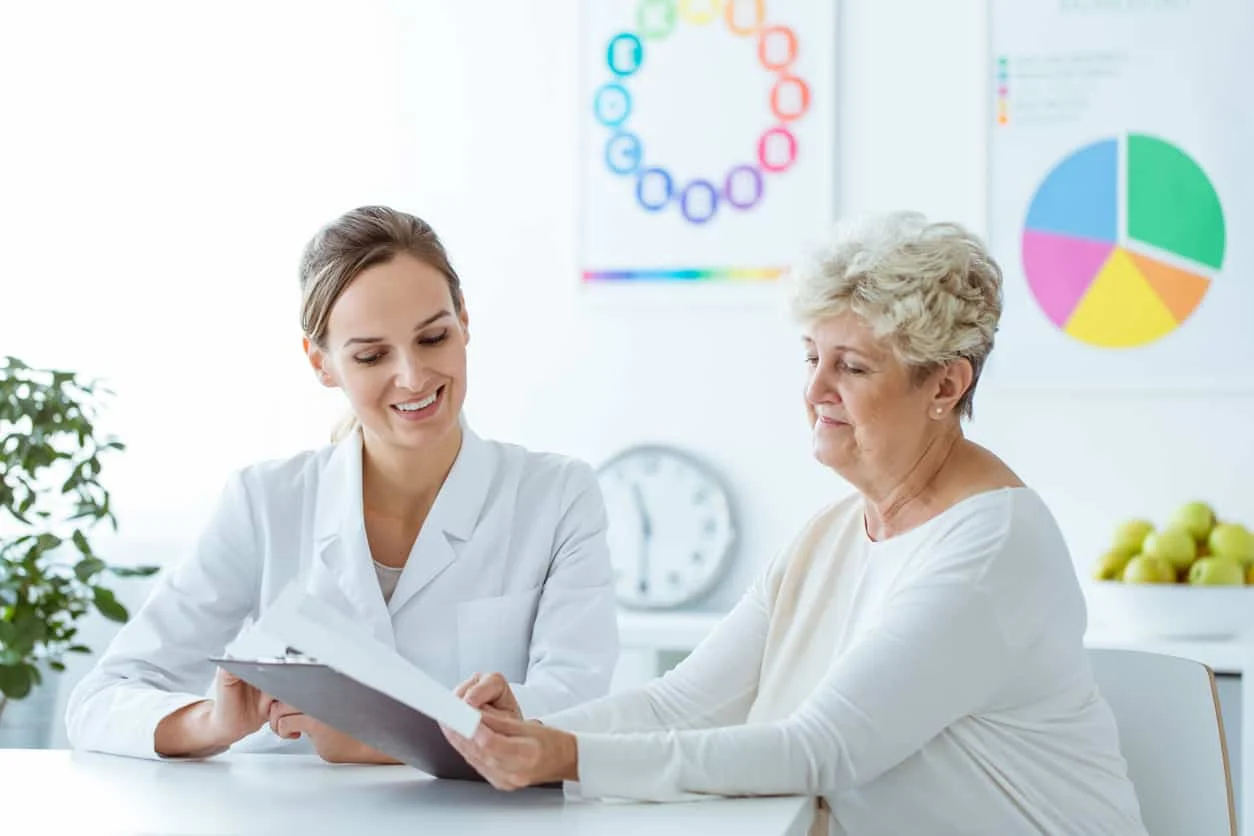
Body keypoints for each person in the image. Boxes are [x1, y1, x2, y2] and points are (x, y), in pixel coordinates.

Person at [440, 212, 1148, 835]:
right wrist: (526, 734)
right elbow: (682, 703)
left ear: (946, 385)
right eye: (812, 357)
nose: (814, 391)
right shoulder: (834, 532)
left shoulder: (992, 545)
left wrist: (564, 757)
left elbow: (821, 749)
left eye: (853, 368)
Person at [65, 205, 619, 763]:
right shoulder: (265, 503)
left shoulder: (557, 496)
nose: (413, 376)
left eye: (432, 338)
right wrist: (212, 721)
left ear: (464, 322)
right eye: (372, 355)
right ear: (321, 362)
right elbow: (99, 701)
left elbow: (581, 710)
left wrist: (372, 739)